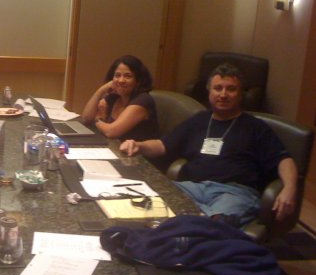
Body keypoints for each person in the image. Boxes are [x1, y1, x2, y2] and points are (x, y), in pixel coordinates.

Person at [120, 63, 298, 227]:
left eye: (231, 89)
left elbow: (284, 159)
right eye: (218, 88)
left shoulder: (255, 127)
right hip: (194, 187)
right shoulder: (199, 120)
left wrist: (290, 188)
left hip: (234, 192)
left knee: (211, 224)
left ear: (241, 94)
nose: (223, 94)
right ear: (209, 92)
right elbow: (162, 145)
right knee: (151, 203)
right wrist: (139, 145)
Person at [81, 54, 159, 141]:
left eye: (128, 76)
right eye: (117, 75)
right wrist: (101, 91)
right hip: (115, 146)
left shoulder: (143, 100)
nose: (121, 80)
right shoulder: (115, 97)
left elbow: (111, 131)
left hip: (137, 149)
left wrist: (97, 120)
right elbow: (86, 118)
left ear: (138, 81)